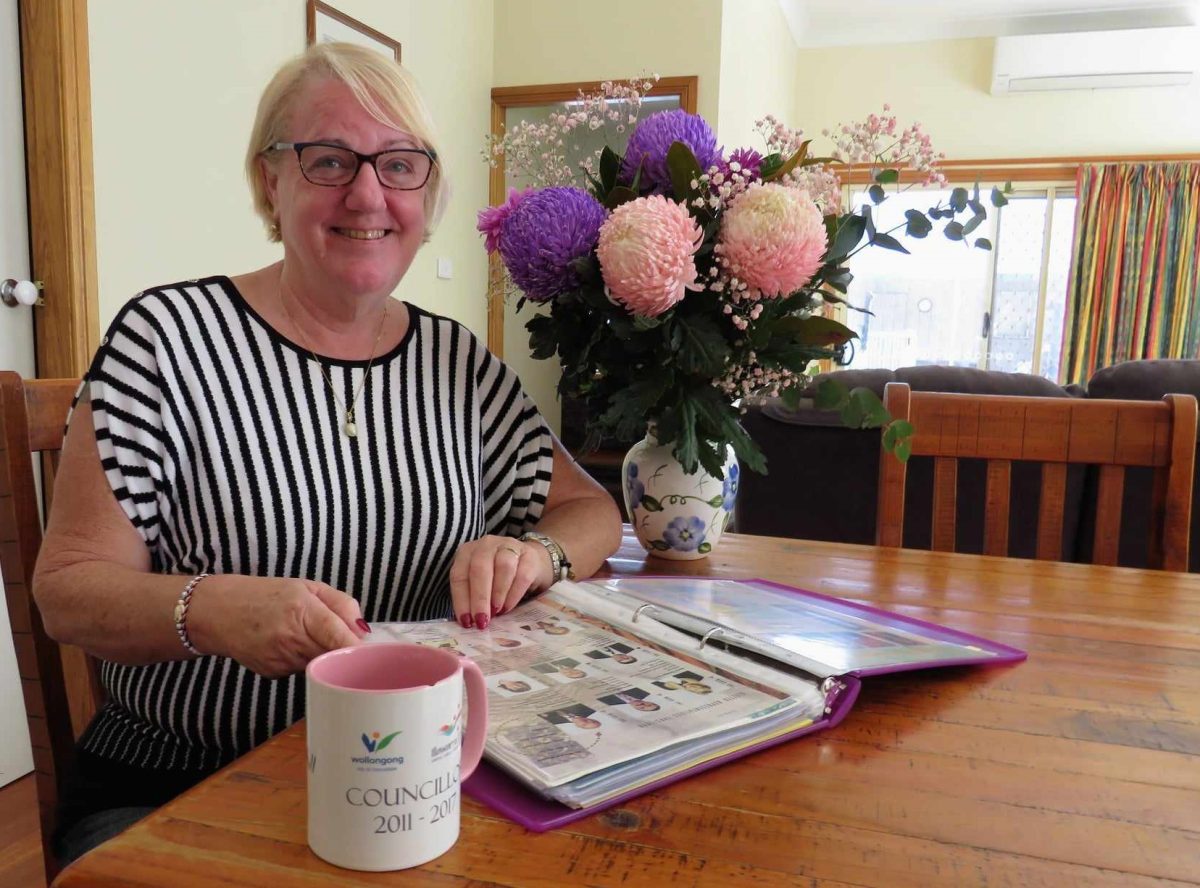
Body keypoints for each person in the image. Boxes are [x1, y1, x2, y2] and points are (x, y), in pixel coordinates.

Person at [31, 42, 621, 866]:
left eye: (400, 164)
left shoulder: (459, 363)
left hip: (419, 782)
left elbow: (592, 511)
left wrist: (536, 552)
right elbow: (66, 591)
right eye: (329, 159)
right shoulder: (164, 342)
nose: (368, 193)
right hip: (186, 784)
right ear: (269, 180)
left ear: (428, 191)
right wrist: (214, 610)